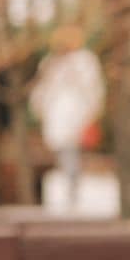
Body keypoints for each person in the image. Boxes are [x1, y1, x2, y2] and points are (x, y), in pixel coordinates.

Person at [28, 26, 104, 208]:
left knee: (70, 151)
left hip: (75, 114)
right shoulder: (51, 63)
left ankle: (72, 189)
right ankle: (69, 187)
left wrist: (91, 111)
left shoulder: (84, 61)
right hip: (58, 115)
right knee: (64, 151)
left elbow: (92, 88)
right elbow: (42, 90)